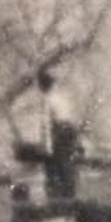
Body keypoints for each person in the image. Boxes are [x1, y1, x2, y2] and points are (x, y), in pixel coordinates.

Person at [37, 67, 80, 200]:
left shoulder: (47, 99)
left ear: (42, 86)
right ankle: (69, 194)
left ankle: (58, 197)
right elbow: (71, 118)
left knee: (56, 165)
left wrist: (48, 147)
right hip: (70, 131)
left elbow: (46, 124)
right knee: (67, 164)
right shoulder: (60, 97)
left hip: (60, 132)